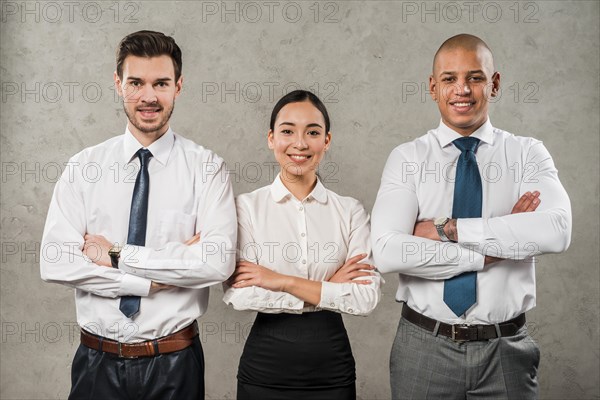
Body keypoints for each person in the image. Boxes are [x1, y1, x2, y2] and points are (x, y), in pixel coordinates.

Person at [371, 33, 572, 399]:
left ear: (493, 84)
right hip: (423, 348)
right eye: (449, 79)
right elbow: (387, 251)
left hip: (506, 351)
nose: (461, 89)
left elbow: (556, 230)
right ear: (433, 87)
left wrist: (446, 229)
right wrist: (500, 243)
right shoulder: (408, 158)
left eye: (475, 77)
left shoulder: (528, 153)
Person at [40, 30, 236, 399]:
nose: (148, 96)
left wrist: (115, 256)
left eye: (161, 83)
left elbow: (217, 264)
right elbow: (55, 263)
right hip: (95, 363)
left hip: (175, 363)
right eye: (136, 83)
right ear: (118, 84)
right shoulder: (85, 167)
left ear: (178, 86)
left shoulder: (207, 168)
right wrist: (152, 280)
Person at [223, 90, 382, 399]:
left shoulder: (350, 211)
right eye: (287, 131)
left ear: (327, 140)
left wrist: (279, 281)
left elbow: (365, 297)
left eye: (312, 132)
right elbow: (240, 295)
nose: (300, 143)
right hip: (264, 373)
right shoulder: (246, 208)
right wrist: (324, 290)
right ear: (271, 138)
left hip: (332, 374)